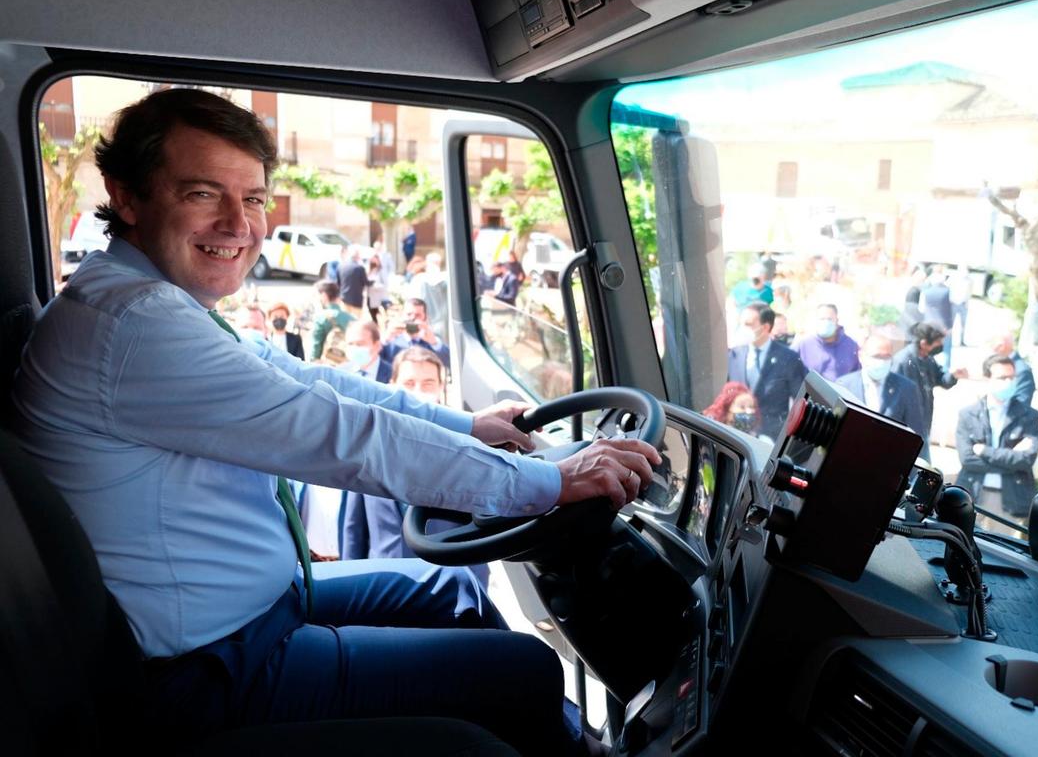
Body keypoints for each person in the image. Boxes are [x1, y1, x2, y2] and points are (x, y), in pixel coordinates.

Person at [10, 88, 660, 755]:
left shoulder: (147, 299)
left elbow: (308, 381)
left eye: (255, 198)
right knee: (525, 670)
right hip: (200, 673)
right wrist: (551, 481)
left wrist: (466, 427)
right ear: (127, 196)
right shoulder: (135, 326)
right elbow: (342, 438)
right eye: (203, 193)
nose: (240, 223)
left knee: (449, 593)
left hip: (244, 614)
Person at [343, 348, 490, 583]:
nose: (418, 392)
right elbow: (354, 528)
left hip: (450, 584)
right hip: (383, 584)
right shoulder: (368, 447)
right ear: (392, 386)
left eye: (428, 383)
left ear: (442, 388)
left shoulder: (469, 449)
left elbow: (482, 530)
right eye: (409, 383)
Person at [954, 355, 1038, 529]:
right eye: (1002, 378)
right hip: (973, 494)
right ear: (988, 379)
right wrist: (1010, 460)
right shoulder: (968, 414)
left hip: (1010, 499)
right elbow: (967, 459)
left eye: (1012, 377)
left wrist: (985, 451)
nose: (1008, 382)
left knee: (1000, 551)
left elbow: (1026, 460)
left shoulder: (1028, 416)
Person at [727, 302, 807, 439]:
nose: (742, 329)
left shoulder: (788, 358)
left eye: (748, 324)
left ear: (765, 327)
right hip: (737, 436)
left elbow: (802, 400)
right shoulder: (733, 355)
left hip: (771, 438)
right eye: (741, 324)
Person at [892, 322, 968, 456]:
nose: (940, 345)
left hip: (922, 425)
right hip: (906, 428)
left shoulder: (928, 359)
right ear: (923, 343)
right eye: (938, 342)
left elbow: (941, 379)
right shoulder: (903, 361)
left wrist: (953, 375)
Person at [835, 332, 924, 439]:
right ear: (861, 356)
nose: (881, 362)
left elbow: (916, 434)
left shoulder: (906, 388)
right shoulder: (843, 385)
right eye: (877, 356)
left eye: (886, 357)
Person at [792, 303, 860, 382]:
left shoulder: (850, 345)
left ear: (837, 320)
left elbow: (856, 374)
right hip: (812, 393)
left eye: (829, 319)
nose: (826, 322)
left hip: (842, 392)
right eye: (822, 319)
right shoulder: (803, 345)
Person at [383, 297, 451, 367]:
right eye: (409, 314)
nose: (412, 318)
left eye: (418, 315)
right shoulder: (393, 341)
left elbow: (451, 362)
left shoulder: (432, 342)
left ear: (425, 318)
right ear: (402, 316)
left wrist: (434, 343)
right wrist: (385, 340)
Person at [988, 331, 1036, 407]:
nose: (991, 348)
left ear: (1001, 346)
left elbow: (1022, 403)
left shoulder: (1021, 370)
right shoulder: (996, 365)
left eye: (992, 344)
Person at [920, 266, 955, 368]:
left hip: (929, 325)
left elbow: (921, 309)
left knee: (928, 349)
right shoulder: (948, 291)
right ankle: (945, 371)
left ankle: (928, 368)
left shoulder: (925, 291)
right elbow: (953, 307)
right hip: (945, 326)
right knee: (946, 351)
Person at [310, 279, 354, 360]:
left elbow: (316, 345)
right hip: (345, 363)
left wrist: (313, 361)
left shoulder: (320, 317)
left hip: (326, 364)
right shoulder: (350, 318)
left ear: (324, 295)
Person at [338, 246, 369, 319]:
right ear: (358, 256)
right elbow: (365, 282)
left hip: (344, 298)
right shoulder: (360, 268)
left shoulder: (341, 266)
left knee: (345, 321)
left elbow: (338, 283)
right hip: (356, 299)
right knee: (356, 322)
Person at [948, 264, 972, 346]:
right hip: (954, 303)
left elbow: (969, 293)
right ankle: (949, 340)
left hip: (963, 304)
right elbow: (949, 290)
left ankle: (961, 340)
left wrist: (967, 303)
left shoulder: (969, 280)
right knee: (951, 323)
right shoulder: (953, 279)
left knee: (963, 324)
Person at [901, 266, 926, 342]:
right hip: (911, 324)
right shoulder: (914, 291)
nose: (924, 282)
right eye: (923, 280)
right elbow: (912, 310)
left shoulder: (914, 290)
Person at [365, 254, 389, 323]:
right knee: (373, 314)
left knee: (382, 315)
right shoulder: (369, 270)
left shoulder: (381, 271)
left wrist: (375, 285)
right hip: (370, 296)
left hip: (380, 296)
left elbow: (385, 284)